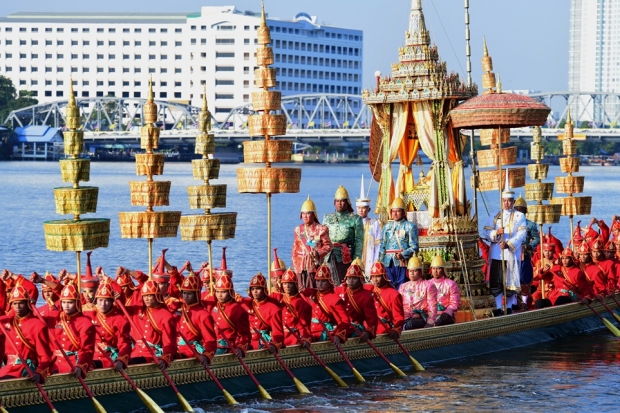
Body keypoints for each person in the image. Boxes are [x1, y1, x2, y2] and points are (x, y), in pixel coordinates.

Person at [482, 177, 526, 316]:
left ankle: (509, 306)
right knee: (497, 281)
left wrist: (508, 243)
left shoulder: (519, 216)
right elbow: (486, 232)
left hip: (511, 253)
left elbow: (522, 233)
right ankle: (498, 307)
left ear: (513, 202)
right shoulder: (495, 215)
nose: (507, 203)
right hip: (497, 253)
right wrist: (496, 233)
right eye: (504, 201)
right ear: (501, 201)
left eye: (509, 201)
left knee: (510, 281)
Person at [0, 286, 54, 382]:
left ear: (27, 304)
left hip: (26, 369)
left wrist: (40, 373)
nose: (17, 307)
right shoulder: (6, 323)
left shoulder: (38, 325)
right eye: (15, 304)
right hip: (8, 367)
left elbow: (45, 356)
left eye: (21, 303)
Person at [44, 284, 96, 378]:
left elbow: (86, 350)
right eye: (64, 302)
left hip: (74, 363)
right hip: (55, 363)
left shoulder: (85, 323)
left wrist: (80, 366)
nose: (66, 306)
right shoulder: (54, 317)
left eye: (70, 302)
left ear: (76, 303)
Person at [127, 280, 177, 369]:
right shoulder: (139, 311)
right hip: (135, 353)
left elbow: (169, 342)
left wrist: (165, 358)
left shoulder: (166, 316)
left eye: (149, 296)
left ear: (157, 296)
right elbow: (119, 310)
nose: (146, 299)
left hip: (152, 355)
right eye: (145, 296)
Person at [323, 186, 364, 285]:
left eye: (342, 201)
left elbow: (359, 241)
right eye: (337, 201)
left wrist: (356, 260)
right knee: (327, 282)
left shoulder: (355, 219)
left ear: (347, 202)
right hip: (328, 255)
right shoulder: (327, 217)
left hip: (346, 256)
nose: (339, 203)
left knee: (344, 283)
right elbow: (322, 238)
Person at [300, 264, 350, 345]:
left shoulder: (334, 299)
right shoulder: (311, 293)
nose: (320, 284)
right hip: (309, 332)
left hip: (323, 334)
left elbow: (345, 321)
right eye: (318, 281)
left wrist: (338, 336)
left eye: (323, 281)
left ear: (329, 282)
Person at [88, 281, 132, 371]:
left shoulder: (120, 320)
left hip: (109, 358)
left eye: (106, 300)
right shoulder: (89, 316)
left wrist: (121, 360)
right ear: (96, 301)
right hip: (91, 356)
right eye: (100, 300)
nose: (103, 304)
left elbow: (124, 343)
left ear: (112, 302)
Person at [292, 196, 332, 289]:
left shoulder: (321, 229)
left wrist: (318, 253)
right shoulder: (298, 230)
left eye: (308, 213)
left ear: (313, 214)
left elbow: (328, 245)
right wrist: (296, 267)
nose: (305, 216)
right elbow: (295, 250)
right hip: (300, 267)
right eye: (303, 213)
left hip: (314, 265)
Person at [378, 198, 419, 290]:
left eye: (398, 211)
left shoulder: (410, 226)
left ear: (404, 212)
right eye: (393, 211)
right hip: (388, 263)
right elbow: (382, 246)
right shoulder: (386, 227)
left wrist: (403, 254)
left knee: (402, 288)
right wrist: (380, 262)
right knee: (388, 288)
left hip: (402, 263)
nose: (395, 214)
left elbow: (414, 247)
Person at [177, 272, 216, 368]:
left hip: (192, 352)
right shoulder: (181, 310)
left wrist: (206, 356)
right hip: (178, 349)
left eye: (189, 294)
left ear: (196, 294)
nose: (185, 296)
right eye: (184, 293)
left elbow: (210, 341)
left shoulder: (203, 315)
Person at [239, 272, 284, 352]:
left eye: (258, 288)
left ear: (264, 290)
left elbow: (278, 334)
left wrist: (274, 345)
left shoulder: (273, 308)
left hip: (264, 344)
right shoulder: (245, 304)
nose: (255, 292)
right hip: (245, 343)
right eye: (253, 289)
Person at [334, 259, 378, 341]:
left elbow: (372, 320)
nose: (351, 281)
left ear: (360, 279)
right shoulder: (339, 291)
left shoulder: (366, 297)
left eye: (354, 278)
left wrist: (368, 332)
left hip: (354, 329)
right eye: (349, 278)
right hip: (339, 326)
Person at [210, 274, 251, 357]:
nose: (219, 295)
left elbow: (245, 335)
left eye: (223, 292)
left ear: (230, 292)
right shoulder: (213, 308)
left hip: (228, 347)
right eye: (217, 291)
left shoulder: (238, 310)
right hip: (213, 346)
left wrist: (240, 348)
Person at [272, 268, 312, 346]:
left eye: (290, 283)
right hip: (280, 337)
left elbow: (304, 325)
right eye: (284, 283)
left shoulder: (302, 304)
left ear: (295, 285)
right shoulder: (279, 298)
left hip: (294, 338)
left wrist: (306, 338)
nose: (287, 286)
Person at [513, 195, 539, 310]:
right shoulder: (509, 224)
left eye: (521, 209)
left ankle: (523, 302)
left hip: (524, 254)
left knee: (524, 278)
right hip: (512, 254)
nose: (518, 211)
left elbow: (537, 239)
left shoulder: (531, 224)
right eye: (516, 208)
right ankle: (513, 302)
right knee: (511, 278)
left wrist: (529, 246)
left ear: (525, 211)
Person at [365, 261, 404, 337]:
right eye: (373, 277)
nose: (375, 280)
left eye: (378, 276)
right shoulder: (368, 290)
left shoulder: (393, 294)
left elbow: (398, 317)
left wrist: (396, 330)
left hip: (383, 330)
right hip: (366, 328)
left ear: (384, 276)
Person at [398, 256, 437, 329]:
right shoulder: (403, 286)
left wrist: (430, 322)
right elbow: (398, 305)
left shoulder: (429, 285)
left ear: (420, 272)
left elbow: (432, 306)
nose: (412, 273)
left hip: (421, 318)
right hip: (404, 318)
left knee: (411, 324)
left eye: (415, 271)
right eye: (410, 271)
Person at [355, 175, 382, 278]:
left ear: (368, 210)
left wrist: (376, 260)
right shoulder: (354, 223)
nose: (361, 210)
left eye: (364, 208)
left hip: (370, 256)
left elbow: (378, 244)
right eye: (359, 208)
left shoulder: (374, 224)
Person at [429, 256, 461, 324]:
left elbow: (454, 303)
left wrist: (445, 313)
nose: (435, 271)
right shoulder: (427, 284)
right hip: (430, 314)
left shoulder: (451, 284)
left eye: (438, 268)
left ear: (443, 270)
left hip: (445, 315)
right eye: (433, 268)